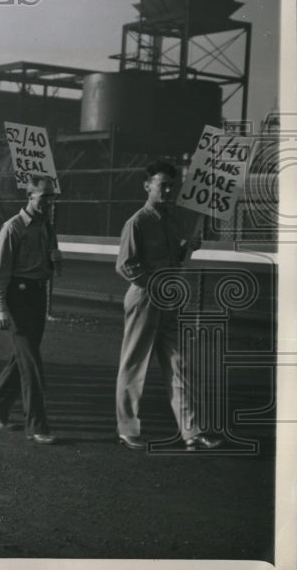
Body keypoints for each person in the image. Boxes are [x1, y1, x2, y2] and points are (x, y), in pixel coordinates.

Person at [115, 160, 222, 451]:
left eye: (171, 185)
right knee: (134, 364)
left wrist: (188, 246)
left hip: (169, 299)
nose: (168, 190)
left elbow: (174, 256)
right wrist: (156, 284)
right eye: (162, 185)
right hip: (144, 298)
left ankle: (192, 431)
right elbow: (125, 266)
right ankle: (127, 429)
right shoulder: (137, 222)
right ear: (147, 186)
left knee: (179, 364)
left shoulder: (171, 219)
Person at [0, 175, 61, 445]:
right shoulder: (13, 228)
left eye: (51, 197)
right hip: (18, 298)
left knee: (22, 359)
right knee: (32, 364)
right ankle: (36, 425)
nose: (49, 202)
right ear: (30, 196)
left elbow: (51, 268)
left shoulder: (47, 226)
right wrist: (0, 308)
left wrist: (55, 261)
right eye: (44, 197)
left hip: (38, 297)